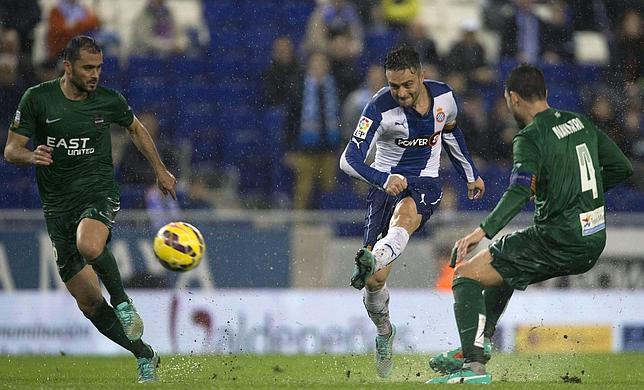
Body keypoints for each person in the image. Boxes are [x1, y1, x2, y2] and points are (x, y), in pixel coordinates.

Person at [426, 64, 634, 384]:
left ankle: (473, 364)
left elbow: (520, 190)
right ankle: (477, 342)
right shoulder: (581, 122)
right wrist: (580, 196)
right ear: (546, 94)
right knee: (504, 270)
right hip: (593, 238)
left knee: (465, 275)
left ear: (512, 98)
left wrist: (481, 232)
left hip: (557, 237)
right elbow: (621, 167)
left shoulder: (530, 137)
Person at [3, 36, 176, 383]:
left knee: (90, 245)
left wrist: (160, 169)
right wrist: (30, 155)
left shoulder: (108, 101)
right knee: (89, 303)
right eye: (87, 67)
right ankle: (145, 355)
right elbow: (10, 150)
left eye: (98, 67)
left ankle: (125, 304)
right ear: (68, 66)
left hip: (98, 193)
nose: (95, 74)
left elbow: (137, 130)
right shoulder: (37, 99)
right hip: (57, 208)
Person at [339, 44, 485, 378]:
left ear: (421, 75)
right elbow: (348, 159)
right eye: (394, 86)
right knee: (375, 283)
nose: (401, 92)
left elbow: (451, 133)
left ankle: (373, 258)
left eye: (407, 85)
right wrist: (382, 177)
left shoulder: (445, 98)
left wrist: (470, 174)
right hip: (385, 187)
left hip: (424, 184)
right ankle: (385, 331)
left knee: (406, 214)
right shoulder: (378, 108)